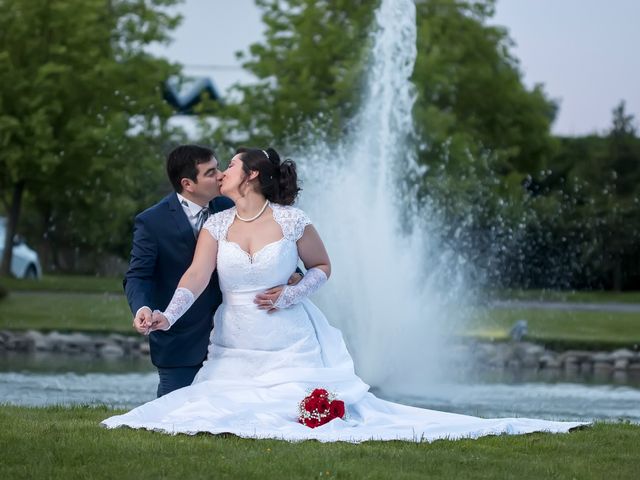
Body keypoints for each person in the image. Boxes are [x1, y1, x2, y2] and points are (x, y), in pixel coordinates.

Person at [104, 147, 586, 442]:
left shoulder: (293, 221)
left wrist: (293, 295)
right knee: (215, 407)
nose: (222, 171)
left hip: (288, 337)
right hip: (235, 339)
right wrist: (166, 314)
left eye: (229, 166)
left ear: (251, 176)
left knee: (291, 410)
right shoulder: (218, 223)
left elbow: (322, 267)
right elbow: (194, 277)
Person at [124, 144, 299, 397]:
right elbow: (138, 275)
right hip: (181, 338)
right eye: (210, 172)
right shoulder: (152, 222)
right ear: (188, 183)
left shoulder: (231, 207)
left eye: (219, 168)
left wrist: (295, 274)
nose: (220, 175)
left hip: (237, 337)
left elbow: (272, 247)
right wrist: (143, 308)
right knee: (175, 414)